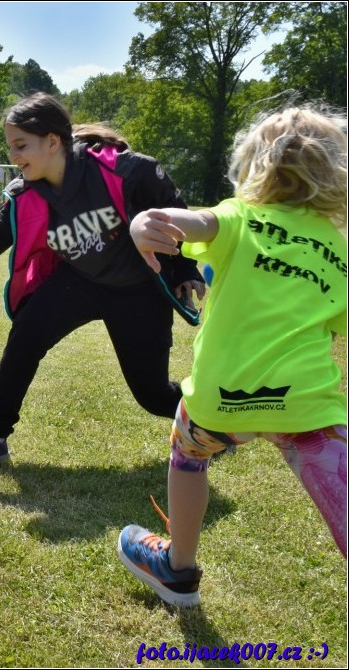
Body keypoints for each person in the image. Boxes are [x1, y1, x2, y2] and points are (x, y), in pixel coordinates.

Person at [0, 92, 204, 467]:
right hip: (79, 282)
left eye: (21, 145)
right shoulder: (25, 197)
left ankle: (209, 422)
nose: (14, 156)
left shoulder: (128, 171)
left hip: (136, 288)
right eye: (10, 147)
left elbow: (175, 215)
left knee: (152, 394)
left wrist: (185, 270)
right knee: (27, 335)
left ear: (53, 141)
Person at [117, 104, 348, 607]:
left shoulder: (241, 216)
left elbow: (194, 222)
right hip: (308, 407)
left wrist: (146, 222)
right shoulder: (338, 247)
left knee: (188, 455)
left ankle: (178, 570)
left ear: (255, 164)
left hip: (220, 403)